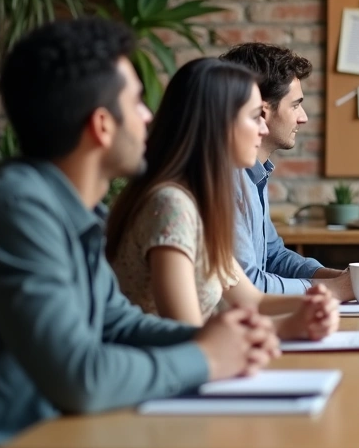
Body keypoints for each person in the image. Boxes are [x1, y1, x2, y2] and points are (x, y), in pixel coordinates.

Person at [0, 19, 278, 448]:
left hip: (47, 438)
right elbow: (81, 378)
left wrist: (216, 337)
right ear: (102, 125)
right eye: (137, 102)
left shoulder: (72, 211)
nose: (149, 115)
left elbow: (117, 324)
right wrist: (207, 358)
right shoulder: (15, 212)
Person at [107, 58, 340, 341]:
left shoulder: (200, 201)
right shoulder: (171, 206)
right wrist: (291, 323)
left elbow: (251, 300)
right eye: (255, 117)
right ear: (219, 123)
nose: (263, 129)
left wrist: (315, 303)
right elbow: (190, 340)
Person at [219, 43, 359, 300]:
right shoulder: (227, 179)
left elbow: (273, 257)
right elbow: (249, 285)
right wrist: (337, 289)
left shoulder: (255, 174)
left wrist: (346, 279)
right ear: (262, 110)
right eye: (295, 105)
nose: (303, 117)